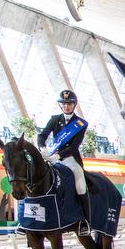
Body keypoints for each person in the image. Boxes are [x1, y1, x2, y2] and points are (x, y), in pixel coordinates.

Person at [37, 89, 92, 235]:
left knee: (80, 184)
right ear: (60, 105)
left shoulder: (80, 123)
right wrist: (43, 148)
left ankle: (85, 221)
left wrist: (59, 156)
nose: (66, 106)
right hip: (52, 157)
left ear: (74, 105)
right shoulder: (54, 119)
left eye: (69, 103)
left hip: (70, 158)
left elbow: (74, 147)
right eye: (64, 103)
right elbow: (42, 135)